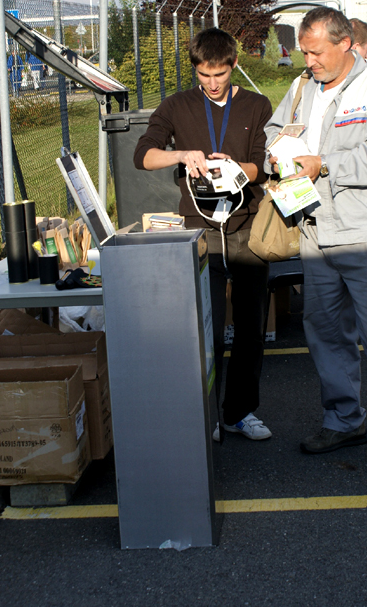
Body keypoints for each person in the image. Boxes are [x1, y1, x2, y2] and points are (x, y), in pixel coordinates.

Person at [265, 6, 367, 470]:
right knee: (326, 336)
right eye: (304, 51)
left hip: (365, 233)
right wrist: (278, 153)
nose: (309, 60)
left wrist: (325, 165)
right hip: (315, 230)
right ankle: (344, 422)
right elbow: (276, 129)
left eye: (316, 52)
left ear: (345, 44)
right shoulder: (302, 87)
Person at [134, 28, 273, 441]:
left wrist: (238, 172)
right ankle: (207, 414)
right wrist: (180, 154)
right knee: (205, 329)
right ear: (194, 68)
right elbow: (143, 155)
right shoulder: (177, 105)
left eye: (220, 73)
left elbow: (265, 162)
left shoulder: (256, 105)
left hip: (247, 226)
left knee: (250, 328)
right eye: (204, 74)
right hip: (199, 229)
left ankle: (240, 412)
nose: (212, 82)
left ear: (233, 66)